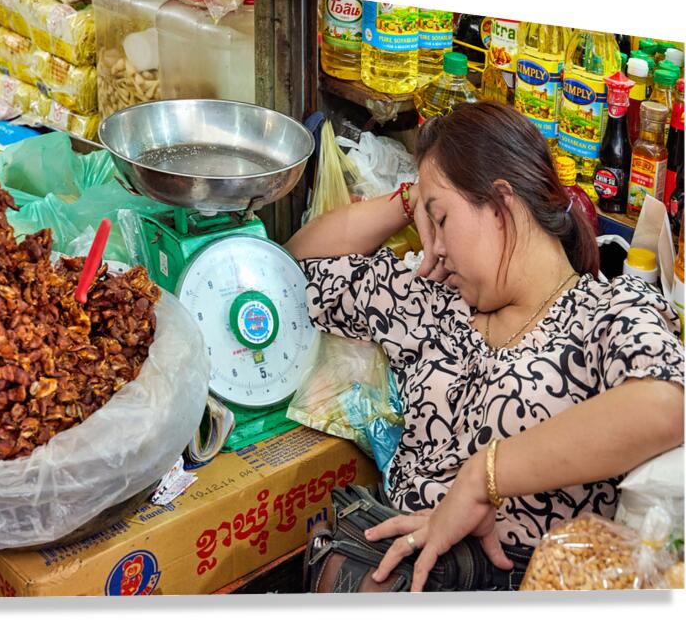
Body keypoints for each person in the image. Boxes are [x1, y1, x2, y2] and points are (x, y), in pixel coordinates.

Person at [285, 102, 684, 592]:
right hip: (395, 572)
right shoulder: (429, 300)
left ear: (500, 205)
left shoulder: (605, 310)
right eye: (426, 228)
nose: (434, 249)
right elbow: (297, 265)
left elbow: (665, 407)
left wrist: (484, 477)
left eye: (443, 221)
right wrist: (413, 200)